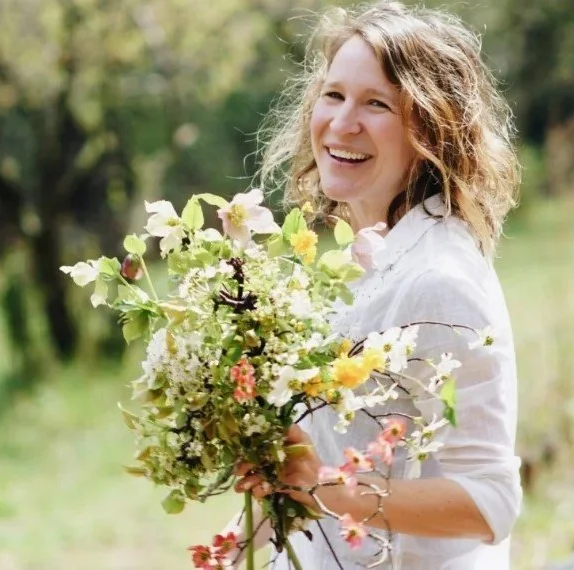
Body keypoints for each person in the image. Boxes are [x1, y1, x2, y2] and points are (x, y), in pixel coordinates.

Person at [223, 2, 522, 568]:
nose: (341, 123)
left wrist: (326, 491)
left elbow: (491, 501)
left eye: (377, 104)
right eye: (333, 95)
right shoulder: (362, 258)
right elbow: (307, 468)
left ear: (431, 129)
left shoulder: (439, 280)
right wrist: (225, 552)